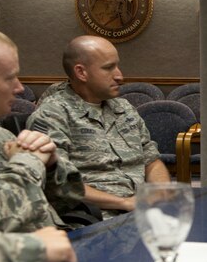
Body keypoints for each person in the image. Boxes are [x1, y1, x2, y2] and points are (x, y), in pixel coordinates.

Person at [27, 35, 170, 218]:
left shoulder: (124, 108)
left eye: (117, 66)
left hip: (140, 211)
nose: (120, 76)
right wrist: (125, 203)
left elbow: (151, 158)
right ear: (81, 73)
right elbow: (59, 183)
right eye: (109, 68)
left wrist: (161, 193)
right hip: (93, 217)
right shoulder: (52, 115)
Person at [0, 30, 78, 262]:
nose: (20, 88)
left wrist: (52, 166)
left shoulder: (0, 136)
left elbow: (72, 201)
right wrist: (29, 162)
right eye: (10, 78)